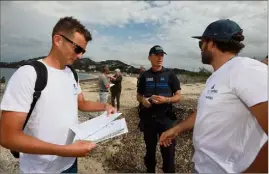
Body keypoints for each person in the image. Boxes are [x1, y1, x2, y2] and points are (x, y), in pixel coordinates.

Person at [0, 16, 117, 173]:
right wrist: (65, 150)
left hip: (70, 164)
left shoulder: (71, 74)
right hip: (40, 169)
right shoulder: (28, 74)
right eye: (77, 49)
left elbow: (81, 104)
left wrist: (105, 106)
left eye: (83, 51)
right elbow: (8, 137)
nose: (80, 55)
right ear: (58, 40)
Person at [159, 19, 268, 173]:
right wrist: (177, 129)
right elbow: (206, 111)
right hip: (203, 166)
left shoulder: (247, 70)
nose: (200, 49)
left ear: (210, 44)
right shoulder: (216, 76)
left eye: (201, 44)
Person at [136, 45, 181, 173]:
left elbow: (178, 96)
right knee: (150, 151)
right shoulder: (144, 76)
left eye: (162, 55)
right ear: (150, 57)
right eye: (157, 55)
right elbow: (138, 95)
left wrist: (166, 100)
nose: (160, 57)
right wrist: (143, 101)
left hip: (165, 120)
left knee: (168, 153)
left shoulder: (170, 74)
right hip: (148, 120)